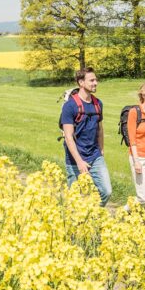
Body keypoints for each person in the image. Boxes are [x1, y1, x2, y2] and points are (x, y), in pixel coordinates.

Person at [60, 66, 111, 205]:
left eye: (96, 80)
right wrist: (79, 161)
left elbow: (100, 128)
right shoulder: (70, 106)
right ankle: (74, 218)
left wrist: (101, 150)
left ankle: (91, 214)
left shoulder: (98, 104)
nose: (96, 83)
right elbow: (68, 137)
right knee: (74, 197)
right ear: (81, 83)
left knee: (106, 191)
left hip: (95, 155)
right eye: (92, 80)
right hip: (75, 158)